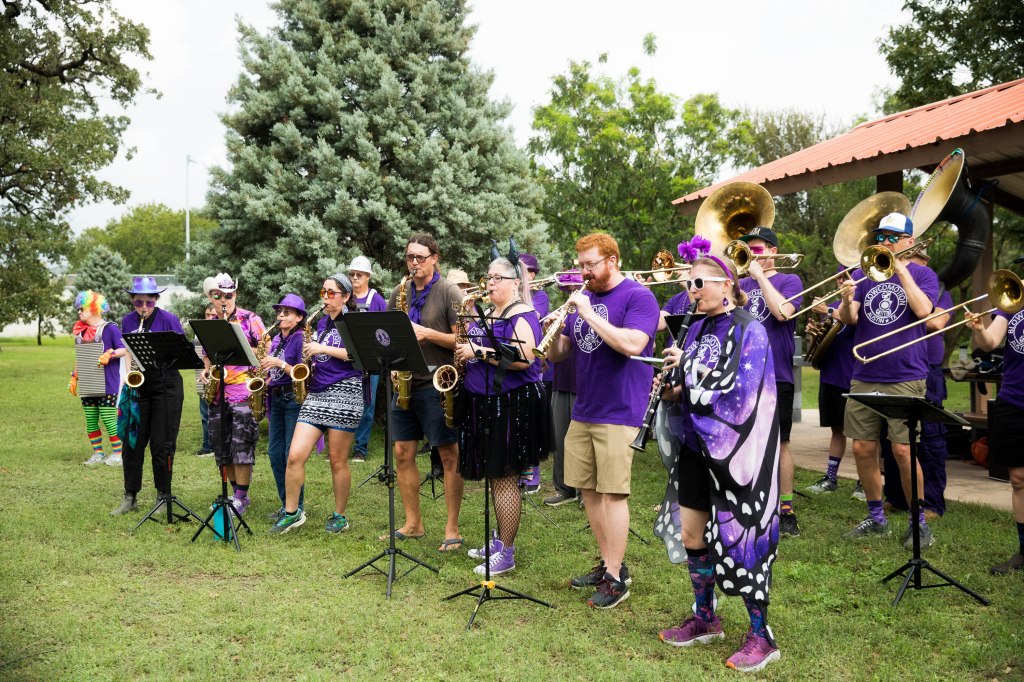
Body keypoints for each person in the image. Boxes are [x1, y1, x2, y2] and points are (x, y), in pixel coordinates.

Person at [658, 241, 781, 673]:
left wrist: (689, 369)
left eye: (699, 283)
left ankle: (761, 636)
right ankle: (705, 616)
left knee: (742, 541)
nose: (692, 291)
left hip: (737, 455)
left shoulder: (751, 329)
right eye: (689, 284)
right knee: (693, 534)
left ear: (726, 284)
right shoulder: (695, 328)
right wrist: (672, 389)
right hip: (696, 446)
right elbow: (690, 389)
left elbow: (742, 394)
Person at [545, 232, 660, 609]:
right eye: (580, 265)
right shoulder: (586, 297)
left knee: (612, 493)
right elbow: (562, 353)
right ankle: (610, 564)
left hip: (620, 408)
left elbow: (632, 344)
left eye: (590, 264)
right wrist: (551, 337)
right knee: (589, 491)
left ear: (612, 260)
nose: (584, 272)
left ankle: (616, 579)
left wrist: (588, 314)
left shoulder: (638, 297)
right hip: (586, 407)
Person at [838, 213, 940, 549]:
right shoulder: (863, 273)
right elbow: (850, 319)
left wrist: (902, 270)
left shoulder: (923, 274)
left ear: (910, 242)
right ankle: (876, 517)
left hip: (905, 375)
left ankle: (918, 522)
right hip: (865, 373)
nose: (885, 242)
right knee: (862, 448)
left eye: (893, 237)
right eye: (881, 236)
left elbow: (924, 311)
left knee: (903, 450)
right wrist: (846, 299)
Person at [455, 255, 549, 574]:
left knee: (506, 476)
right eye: (489, 277)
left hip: (512, 404)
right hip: (488, 402)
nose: (490, 283)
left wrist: (477, 351)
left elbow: (524, 357)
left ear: (515, 283)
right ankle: (499, 540)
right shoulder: (493, 312)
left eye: (498, 278)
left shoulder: (521, 313)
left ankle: (507, 552)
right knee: (496, 476)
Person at [388, 233, 465, 550]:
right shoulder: (399, 291)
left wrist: (428, 334)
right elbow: (388, 332)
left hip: (437, 382)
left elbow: (463, 340)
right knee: (402, 453)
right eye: (410, 257)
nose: (414, 263)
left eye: (420, 257)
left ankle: (452, 528)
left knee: (448, 455)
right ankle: (413, 524)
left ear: (435, 258)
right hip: (405, 381)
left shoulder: (449, 291)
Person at [270, 276, 363, 534]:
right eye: (323, 292)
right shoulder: (321, 323)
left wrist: (322, 348)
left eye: (331, 293)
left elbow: (358, 354)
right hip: (317, 393)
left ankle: (340, 516)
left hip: (345, 393)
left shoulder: (353, 321)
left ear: (345, 296)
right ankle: (292, 513)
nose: (325, 297)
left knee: (337, 460)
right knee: (294, 455)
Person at [736, 226, 802, 537]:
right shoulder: (739, 283)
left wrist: (760, 277)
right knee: (746, 439)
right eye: (747, 249)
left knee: (780, 443)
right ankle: (750, 501)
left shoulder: (790, 281)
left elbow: (783, 313)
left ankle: (786, 510)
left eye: (757, 250)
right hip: (743, 372)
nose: (751, 254)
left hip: (777, 373)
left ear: (773, 252)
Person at [881, 250, 952, 519]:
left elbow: (935, 322)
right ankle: (897, 497)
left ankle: (931, 502)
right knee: (893, 437)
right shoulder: (892, 288)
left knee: (930, 438)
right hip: (896, 371)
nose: (907, 264)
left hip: (927, 370)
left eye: (914, 260)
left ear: (925, 263)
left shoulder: (940, 292)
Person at [110, 277, 187, 516]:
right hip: (139, 386)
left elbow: (181, 352)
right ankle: (130, 496)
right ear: (132, 301)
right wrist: (128, 375)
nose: (144, 307)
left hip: (167, 386)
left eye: (149, 302)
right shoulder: (128, 320)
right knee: (131, 442)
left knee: (161, 443)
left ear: (156, 300)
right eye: (139, 302)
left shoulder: (169, 320)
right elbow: (129, 351)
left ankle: (163, 495)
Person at [199, 272, 266, 516]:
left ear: (235, 294)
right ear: (212, 297)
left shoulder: (250, 319)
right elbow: (206, 353)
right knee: (221, 446)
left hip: (243, 391)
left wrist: (241, 348)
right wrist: (206, 369)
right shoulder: (210, 323)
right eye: (218, 296)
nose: (224, 300)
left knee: (242, 445)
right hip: (218, 392)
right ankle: (234, 493)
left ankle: (241, 497)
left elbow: (266, 348)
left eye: (228, 295)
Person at [966, 300, 1024, 574]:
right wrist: (979, 329)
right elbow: (990, 343)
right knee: (1019, 479)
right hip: (1013, 400)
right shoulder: (1014, 301)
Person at [805, 280, 857, 495]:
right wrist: (813, 333)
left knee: (864, 434)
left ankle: (863, 483)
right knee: (837, 430)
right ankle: (831, 477)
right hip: (830, 375)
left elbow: (851, 319)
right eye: (839, 277)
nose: (841, 281)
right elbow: (818, 348)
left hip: (853, 377)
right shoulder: (832, 305)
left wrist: (827, 310)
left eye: (846, 275)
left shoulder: (859, 304)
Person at [261, 294, 306, 522]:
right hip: (276, 397)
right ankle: (286, 504)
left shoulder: (300, 339)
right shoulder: (277, 338)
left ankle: (296, 507)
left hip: (293, 399)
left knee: (291, 455)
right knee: (274, 453)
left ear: (299, 317)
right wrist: (264, 381)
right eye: (279, 311)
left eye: (287, 312)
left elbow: (302, 373)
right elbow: (275, 372)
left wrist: (279, 363)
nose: (280, 315)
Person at [71, 290, 126, 466]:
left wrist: (110, 354)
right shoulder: (81, 331)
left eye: (82, 308)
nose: (79, 312)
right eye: (78, 309)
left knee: (109, 420)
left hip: (108, 383)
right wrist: (75, 376)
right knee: (91, 421)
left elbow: (124, 349)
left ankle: (118, 454)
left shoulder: (110, 328)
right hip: (88, 383)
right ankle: (98, 453)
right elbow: (80, 356)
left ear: (94, 308)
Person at [348, 255, 387, 463]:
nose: (355, 277)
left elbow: (384, 330)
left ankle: (360, 449)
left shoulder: (376, 299)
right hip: (346, 360)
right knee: (346, 403)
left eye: (359, 274)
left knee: (367, 405)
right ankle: (340, 446)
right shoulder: (346, 297)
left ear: (368, 277)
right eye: (352, 274)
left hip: (370, 360)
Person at [518, 252, 551, 494]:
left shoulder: (540, 296)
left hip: (532, 365)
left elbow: (533, 316)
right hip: (512, 364)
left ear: (531, 275)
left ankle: (532, 475)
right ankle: (515, 469)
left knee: (529, 420)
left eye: (522, 272)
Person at [194, 302, 218, 457]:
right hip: (202, 377)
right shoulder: (199, 332)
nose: (209, 318)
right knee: (205, 414)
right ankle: (207, 446)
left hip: (219, 378)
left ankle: (218, 445)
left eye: (213, 315)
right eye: (207, 315)